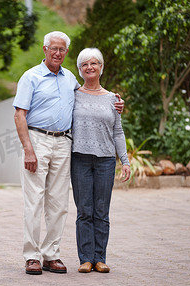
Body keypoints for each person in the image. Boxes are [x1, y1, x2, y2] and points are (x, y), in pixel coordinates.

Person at [13, 32, 124, 275]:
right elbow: (19, 114)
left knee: (59, 203)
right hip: (37, 141)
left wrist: (115, 102)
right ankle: (32, 256)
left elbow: (91, 93)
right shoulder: (30, 77)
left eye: (62, 49)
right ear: (45, 49)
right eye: (53, 48)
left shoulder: (70, 78)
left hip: (64, 143)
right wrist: (28, 150)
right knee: (34, 201)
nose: (57, 53)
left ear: (66, 52)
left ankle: (51, 255)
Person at [70, 48, 131, 274]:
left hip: (105, 160)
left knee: (101, 211)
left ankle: (100, 258)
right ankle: (85, 259)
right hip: (80, 159)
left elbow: (118, 132)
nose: (89, 68)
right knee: (84, 210)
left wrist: (124, 160)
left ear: (101, 67)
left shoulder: (112, 99)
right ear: (80, 69)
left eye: (94, 63)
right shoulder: (73, 95)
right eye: (84, 64)